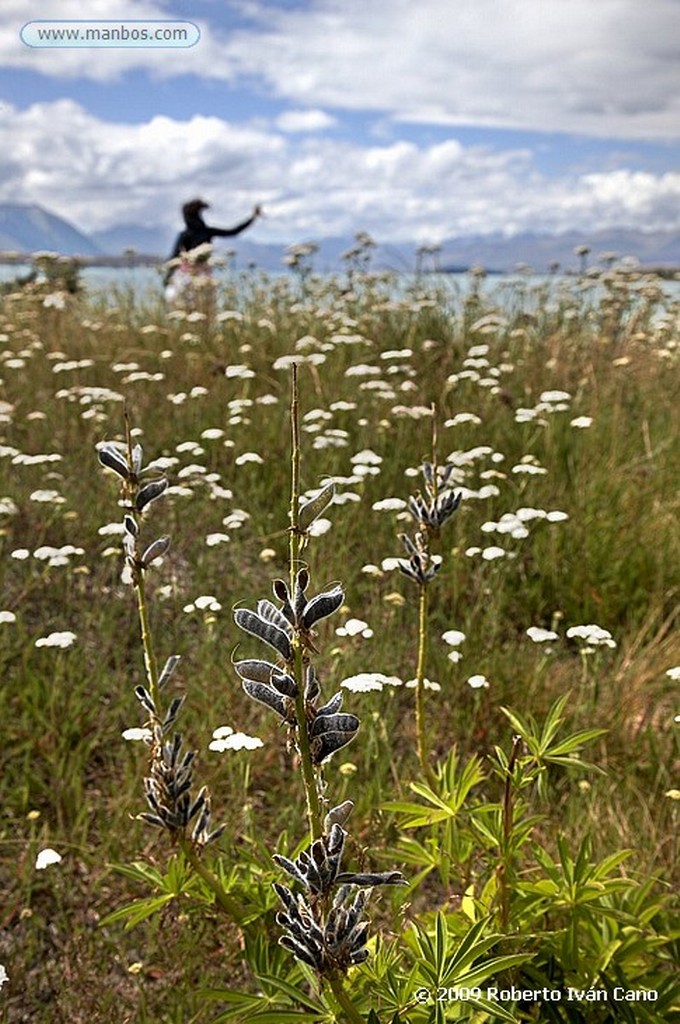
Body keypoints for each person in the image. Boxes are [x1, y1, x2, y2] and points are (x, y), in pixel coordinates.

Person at [164, 198, 262, 303]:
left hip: (187, 275)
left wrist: (167, 277)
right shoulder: (206, 232)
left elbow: (175, 257)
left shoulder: (185, 235)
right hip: (204, 274)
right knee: (204, 304)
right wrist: (253, 217)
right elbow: (233, 231)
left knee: (183, 303)